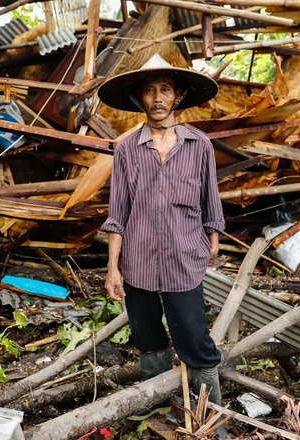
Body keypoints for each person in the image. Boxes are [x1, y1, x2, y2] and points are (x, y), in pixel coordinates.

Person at [98, 54, 226, 433]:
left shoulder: (199, 145)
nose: (157, 97)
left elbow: (210, 199)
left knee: (193, 336)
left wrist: (212, 239)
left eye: (165, 89)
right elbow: (118, 212)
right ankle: (157, 410)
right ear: (140, 99)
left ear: (177, 96)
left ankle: (210, 417)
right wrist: (112, 267)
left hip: (185, 258)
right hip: (137, 261)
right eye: (150, 90)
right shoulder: (126, 149)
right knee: (148, 337)